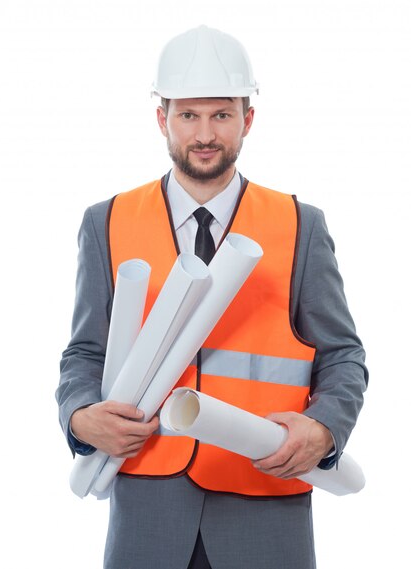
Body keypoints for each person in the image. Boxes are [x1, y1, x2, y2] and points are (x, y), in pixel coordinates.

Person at [56, 25, 367, 569]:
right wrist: (80, 416)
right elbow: (85, 351)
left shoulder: (299, 225)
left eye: (221, 115)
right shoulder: (107, 222)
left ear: (247, 120)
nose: (205, 133)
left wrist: (324, 428)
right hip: (148, 501)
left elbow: (343, 355)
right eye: (188, 115)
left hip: (264, 494)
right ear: (162, 119)